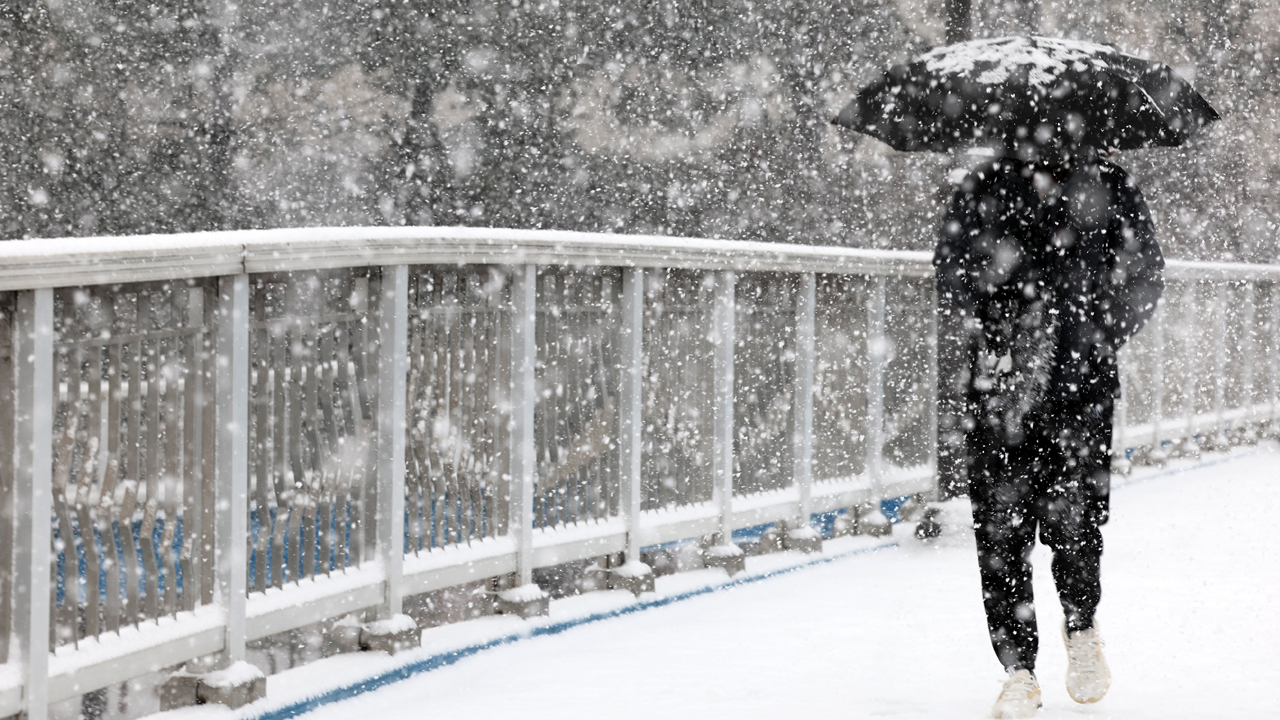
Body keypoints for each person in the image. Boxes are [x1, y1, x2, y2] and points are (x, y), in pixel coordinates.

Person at [934, 150, 1164, 718]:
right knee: (1000, 532)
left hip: (1079, 387)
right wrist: (993, 295)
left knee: (1077, 520)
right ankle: (1018, 670)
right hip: (1000, 389)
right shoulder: (984, 186)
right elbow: (950, 273)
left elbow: (1144, 273)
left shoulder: (1105, 183)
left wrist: (1098, 331)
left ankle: (1082, 629)